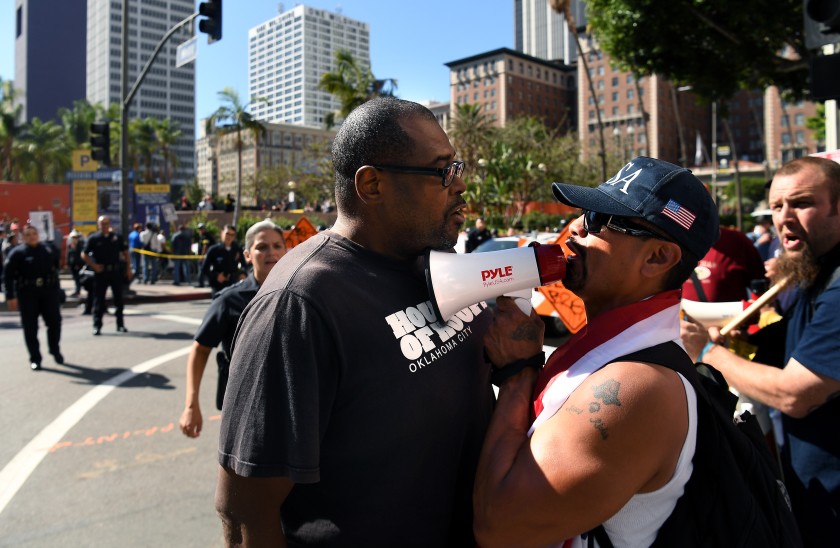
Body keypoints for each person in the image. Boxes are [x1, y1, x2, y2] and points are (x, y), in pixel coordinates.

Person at [215, 97, 493, 546]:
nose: (460, 185)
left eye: (456, 166)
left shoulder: (436, 262)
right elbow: (245, 511)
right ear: (372, 184)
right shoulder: (300, 302)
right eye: (442, 171)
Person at [473, 157, 720, 546]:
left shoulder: (639, 385)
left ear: (658, 257)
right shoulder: (614, 351)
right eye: (586, 213)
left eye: (600, 221)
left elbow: (499, 525)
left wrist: (519, 370)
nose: (574, 233)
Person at [681, 156, 840, 545]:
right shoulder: (811, 275)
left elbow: (794, 393)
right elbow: (781, 351)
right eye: (776, 206)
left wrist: (708, 352)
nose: (784, 217)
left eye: (802, 203)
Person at [179, 220, 287, 438]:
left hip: (290, 407)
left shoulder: (300, 294)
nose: (271, 253)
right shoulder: (229, 300)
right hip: (244, 409)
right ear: (247, 255)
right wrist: (191, 405)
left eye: (277, 246)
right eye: (262, 247)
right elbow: (200, 350)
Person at [3, 224, 64, 370]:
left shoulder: (48, 249)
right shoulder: (17, 253)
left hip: (48, 292)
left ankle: (54, 349)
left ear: (38, 235)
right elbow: (8, 276)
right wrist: (10, 296)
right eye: (28, 234)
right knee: (30, 328)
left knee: (55, 322)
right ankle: (35, 358)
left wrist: (57, 290)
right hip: (28, 294)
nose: (32, 237)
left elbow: (56, 269)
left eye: (34, 234)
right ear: (23, 237)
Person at [681, 225, 767, 303]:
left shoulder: (738, 241)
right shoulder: (676, 240)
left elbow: (762, 288)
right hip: (678, 318)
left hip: (734, 319)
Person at [82, 215, 131, 336]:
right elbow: (84, 254)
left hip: (115, 271)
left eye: (107, 223)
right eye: (102, 224)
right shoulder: (94, 238)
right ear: (98, 225)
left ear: (110, 224)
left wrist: (128, 268)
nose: (105, 226)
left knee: (118, 299)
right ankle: (97, 326)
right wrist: (93, 266)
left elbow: (125, 253)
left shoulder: (116, 237)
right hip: (101, 272)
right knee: (99, 299)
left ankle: (120, 324)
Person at [200, 224, 241, 296]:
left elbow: (244, 265)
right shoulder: (214, 250)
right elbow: (204, 268)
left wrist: (242, 274)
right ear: (222, 233)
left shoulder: (237, 249)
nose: (229, 237)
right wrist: (216, 276)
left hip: (233, 285)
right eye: (227, 233)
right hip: (218, 286)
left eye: (232, 235)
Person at [65, 230, 86, 297]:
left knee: (79, 278)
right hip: (72, 265)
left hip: (79, 265)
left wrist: (78, 263)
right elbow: (68, 255)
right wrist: (68, 263)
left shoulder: (80, 245)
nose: (74, 239)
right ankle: (77, 290)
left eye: (75, 238)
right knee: (75, 278)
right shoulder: (70, 245)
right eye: (73, 238)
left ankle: (78, 290)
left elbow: (81, 255)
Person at [194, 223, 215, 288]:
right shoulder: (202, 236)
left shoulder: (206, 236)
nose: (200, 230)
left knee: (201, 269)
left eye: (201, 229)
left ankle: (201, 283)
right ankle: (211, 282)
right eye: (199, 229)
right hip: (206, 256)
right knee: (206, 270)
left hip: (205, 256)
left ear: (204, 229)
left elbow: (205, 247)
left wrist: (202, 256)